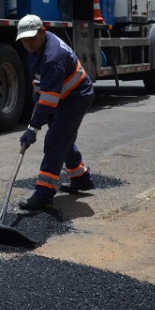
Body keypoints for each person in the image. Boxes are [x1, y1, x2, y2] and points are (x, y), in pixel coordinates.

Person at [15, 14, 95, 210]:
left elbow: (49, 99)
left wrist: (33, 128)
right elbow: (39, 87)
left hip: (76, 96)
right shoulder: (34, 51)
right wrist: (36, 113)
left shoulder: (52, 58)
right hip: (61, 95)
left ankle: (44, 193)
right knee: (62, 137)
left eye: (31, 38)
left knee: (55, 140)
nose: (27, 43)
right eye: (23, 40)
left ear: (43, 31)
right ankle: (81, 177)